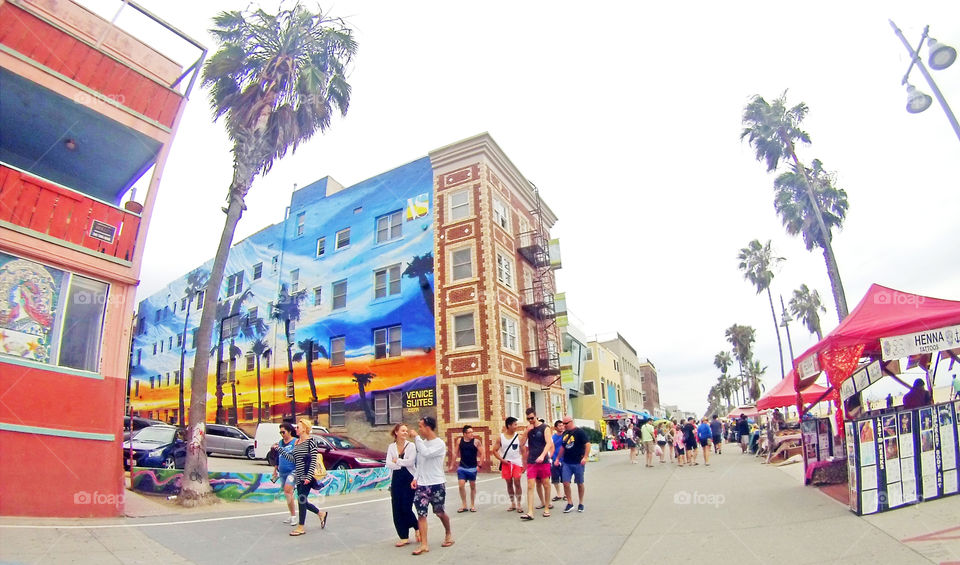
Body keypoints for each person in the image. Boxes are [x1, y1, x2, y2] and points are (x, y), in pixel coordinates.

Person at [276, 418, 328, 536]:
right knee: (302, 500)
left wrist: (309, 477)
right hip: (299, 475)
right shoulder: (297, 442)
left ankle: (301, 527)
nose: (296, 429)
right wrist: (280, 450)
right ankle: (321, 513)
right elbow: (294, 459)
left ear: (304, 428)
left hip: (307, 476)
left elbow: (313, 460)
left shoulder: (311, 442)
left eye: (298, 427)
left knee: (301, 500)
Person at [409, 416, 453, 555]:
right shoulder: (422, 443)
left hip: (437, 483)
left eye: (420, 426)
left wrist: (416, 438)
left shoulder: (439, 444)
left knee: (439, 512)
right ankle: (424, 544)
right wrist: (415, 478)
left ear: (428, 427)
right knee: (421, 514)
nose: (419, 430)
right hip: (422, 484)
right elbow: (420, 463)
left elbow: (426, 454)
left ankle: (448, 533)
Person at [386, 423, 419, 547]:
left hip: (409, 478)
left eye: (406, 431)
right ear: (396, 432)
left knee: (406, 507)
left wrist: (397, 461)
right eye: (403, 430)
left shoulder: (411, 446)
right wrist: (400, 463)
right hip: (396, 479)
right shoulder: (391, 447)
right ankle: (403, 536)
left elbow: (411, 462)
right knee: (396, 508)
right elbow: (388, 463)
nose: (405, 433)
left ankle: (417, 527)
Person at [520, 407, 554, 520]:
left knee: (546, 483)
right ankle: (530, 512)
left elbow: (549, 443)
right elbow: (521, 443)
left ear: (536, 416)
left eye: (532, 418)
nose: (530, 420)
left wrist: (543, 455)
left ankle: (547, 507)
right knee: (530, 485)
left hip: (543, 460)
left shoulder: (545, 427)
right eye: (528, 418)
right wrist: (526, 431)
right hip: (531, 460)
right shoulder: (528, 429)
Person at [555, 416, 590, 513]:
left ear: (571, 422)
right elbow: (563, 447)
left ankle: (581, 503)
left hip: (578, 462)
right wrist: (557, 458)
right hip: (567, 462)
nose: (564, 425)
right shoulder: (565, 433)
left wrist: (585, 457)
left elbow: (587, 444)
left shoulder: (580, 432)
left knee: (579, 483)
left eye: (566, 423)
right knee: (565, 483)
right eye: (563, 423)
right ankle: (570, 503)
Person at [491, 417, 524, 512]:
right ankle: (512, 503)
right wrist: (501, 460)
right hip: (506, 463)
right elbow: (494, 450)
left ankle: (519, 504)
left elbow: (523, 450)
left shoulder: (519, 437)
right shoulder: (500, 437)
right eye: (515, 424)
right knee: (509, 483)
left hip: (517, 462)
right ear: (509, 426)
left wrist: (524, 462)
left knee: (517, 482)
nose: (516, 426)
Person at [449, 425, 482, 513]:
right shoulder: (459, 441)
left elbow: (483, 453)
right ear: (464, 434)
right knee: (461, 485)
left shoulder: (476, 442)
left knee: (472, 486)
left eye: (472, 432)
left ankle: (472, 505)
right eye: (470, 432)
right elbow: (455, 453)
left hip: (472, 467)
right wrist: (452, 464)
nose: (472, 434)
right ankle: (464, 505)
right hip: (462, 467)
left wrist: (480, 465)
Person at [271, 422, 298, 526]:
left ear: (289, 431)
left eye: (284, 432)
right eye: (280, 432)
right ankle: (292, 515)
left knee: (287, 491)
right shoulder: (281, 442)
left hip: (293, 471)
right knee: (288, 494)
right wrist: (275, 469)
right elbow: (278, 457)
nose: (282, 434)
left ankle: (294, 517)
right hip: (282, 472)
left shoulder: (295, 442)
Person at [549, 420, 565, 502]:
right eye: (559, 426)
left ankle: (566, 494)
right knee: (555, 478)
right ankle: (559, 494)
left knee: (565, 478)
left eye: (562, 425)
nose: (561, 427)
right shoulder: (552, 438)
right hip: (554, 460)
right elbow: (550, 448)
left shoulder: (566, 436)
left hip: (564, 460)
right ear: (555, 428)